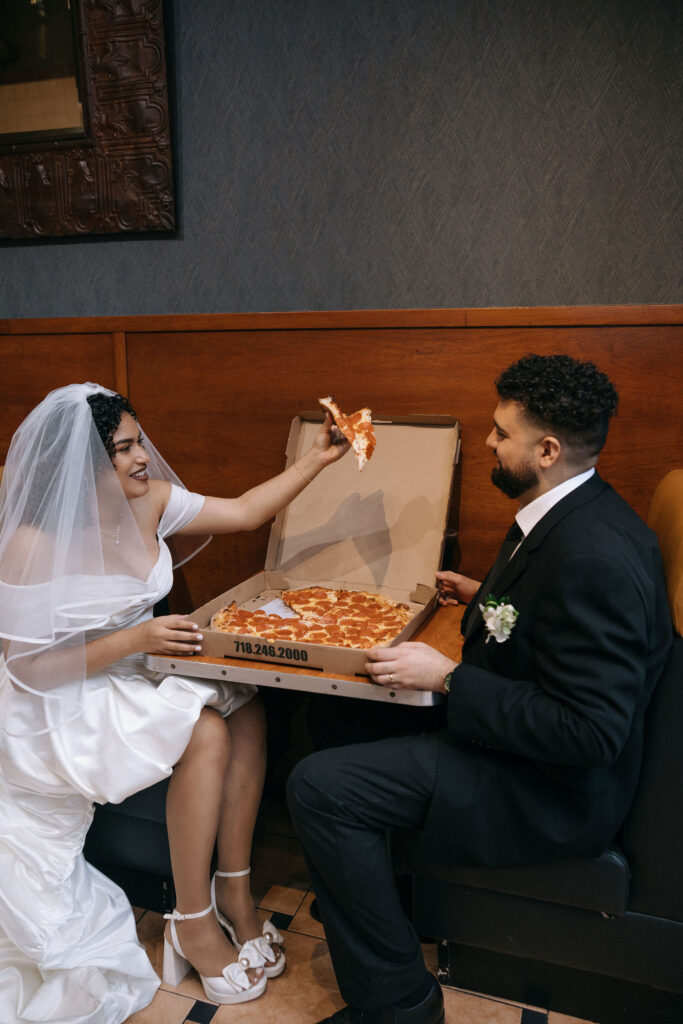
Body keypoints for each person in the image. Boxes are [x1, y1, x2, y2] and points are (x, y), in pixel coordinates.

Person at [286, 354, 673, 1024]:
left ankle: (397, 1004)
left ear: (546, 450)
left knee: (318, 788)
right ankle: (378, 897)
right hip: (516, 745)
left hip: (548, 790)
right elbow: (545, 623)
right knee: (335, 715)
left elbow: (589, 732)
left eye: (500, 433)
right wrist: (482, 595)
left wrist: (448, 677)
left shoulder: (592, 556)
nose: (488, 443)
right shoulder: (572, 513)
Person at [0, 382, 348, 1023]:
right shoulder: (33, 543)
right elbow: (24, 667)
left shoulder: (150, 500)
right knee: (206, 730)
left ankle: (234, 893)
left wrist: (317, 459)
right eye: (124, 450)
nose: (143, 459)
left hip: (132, 663)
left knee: (246, 708)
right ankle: (190, 923)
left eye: (139, 442)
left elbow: (245, 511)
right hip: (55, 696)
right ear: (81, 466)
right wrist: (135, 637)